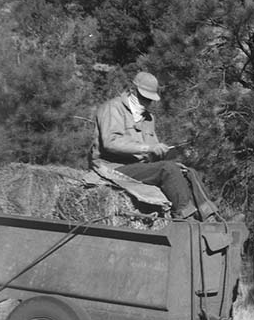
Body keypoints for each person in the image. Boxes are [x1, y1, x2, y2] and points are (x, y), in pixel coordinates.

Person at [89, 71, 218, 220]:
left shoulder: (149, 118)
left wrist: (165, 154)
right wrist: (148, 148)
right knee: (167, 169)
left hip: (139, 168)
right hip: (112, 168)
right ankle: (186, 218)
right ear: (133, 90)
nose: (146, 103)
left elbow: (153, 151)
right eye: (144, 98)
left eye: (150, 100)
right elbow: (110, 142)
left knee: (188, 172)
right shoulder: (113, 108)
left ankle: (211, 217)